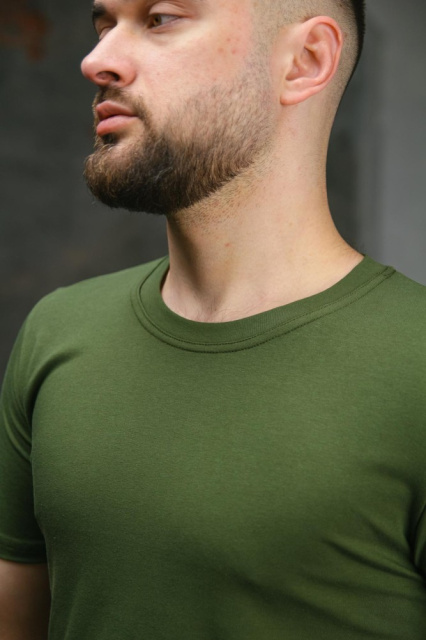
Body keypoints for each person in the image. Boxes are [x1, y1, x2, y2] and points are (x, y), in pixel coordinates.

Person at [0, 0, 425, 638]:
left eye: (160, 18)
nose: (96, 60)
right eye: (104, 25)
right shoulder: (56, 334)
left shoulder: (415, 365)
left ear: (305, 61)